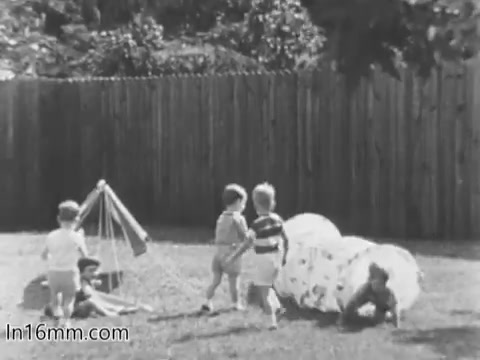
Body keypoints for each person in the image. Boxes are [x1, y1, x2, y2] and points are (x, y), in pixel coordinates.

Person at [201, 184, 249, 313]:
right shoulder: (238, 217)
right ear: (239, 201)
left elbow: (220, 235)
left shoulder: (222, 217)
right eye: (243, 203)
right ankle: (235, 304)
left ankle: (207, 302)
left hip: (218, 255)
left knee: (216, 280)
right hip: (231, 254)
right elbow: (245, 236)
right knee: (234, 281)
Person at [247, 182, 289, 329]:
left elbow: (248, 241)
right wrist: (284, 256)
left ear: (256, 204)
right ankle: (279, 308)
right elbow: (285, 238)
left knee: (263, 291)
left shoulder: (256, 225)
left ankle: (272, 321)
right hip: (276, 259)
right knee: (268, 284)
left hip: (263, 261)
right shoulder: (278, 220)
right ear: (273, 203)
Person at [41, 200, 88, 327]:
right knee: (69, 299)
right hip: (70, 273)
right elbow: (85, 255)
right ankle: (66, 321)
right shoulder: (77, 237)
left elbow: (44, 255)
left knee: (55, 298)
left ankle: (56, 319)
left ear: (58, 219)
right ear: (77, 220)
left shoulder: (51, 236)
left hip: (54, 272)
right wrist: (81, 238)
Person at [338, 262, 400, 328]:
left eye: (380, 284)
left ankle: (381, 318)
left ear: (384, 284)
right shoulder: (365, 289)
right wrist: (342, 321)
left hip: (380, 304)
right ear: (371, 281)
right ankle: (348, 319)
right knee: (351, 308)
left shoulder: (388, 295)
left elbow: (394, 313)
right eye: (375, 283)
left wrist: (396, 326)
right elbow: (351, 303)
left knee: (378, 321)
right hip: (366, 296)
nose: (377, 286)